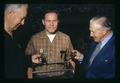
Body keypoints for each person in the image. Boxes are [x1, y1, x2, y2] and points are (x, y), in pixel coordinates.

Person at [25, 10, 75, 78]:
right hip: (40, 77)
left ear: (58, 21)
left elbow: (70, 59)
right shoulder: (34, 38)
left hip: (60, 76)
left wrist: (72, 68)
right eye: (48, 21)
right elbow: (27, 61)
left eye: (54, 21)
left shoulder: (66, 38)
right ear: (43, 22)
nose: (52, 24)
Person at [4, 4, 28, 78]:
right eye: (21, 18)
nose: (23, 23)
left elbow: (14, 60)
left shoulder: (16, 34)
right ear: (10, 13)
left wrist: (30, 59)